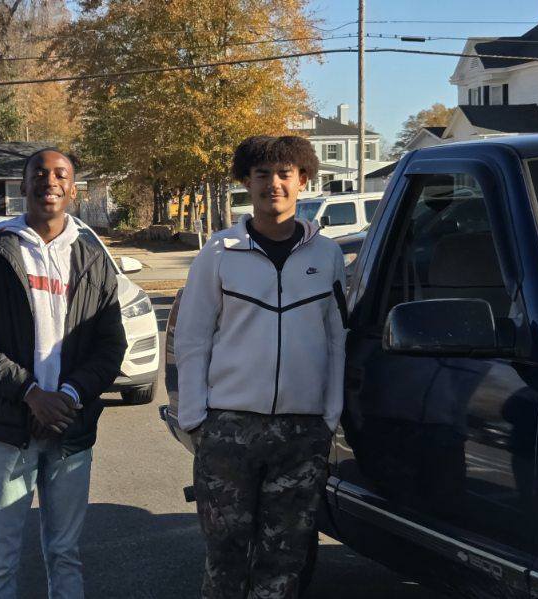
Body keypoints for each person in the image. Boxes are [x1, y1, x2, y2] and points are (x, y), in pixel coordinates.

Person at [174, 135, 348, 598]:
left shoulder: (327, 255)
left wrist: (329, 415)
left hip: (302, 432)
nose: (274, 183)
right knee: (226, 554)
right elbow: (192, 338)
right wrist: (195, 419)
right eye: (262, 174)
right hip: (229, 428)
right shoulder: (219, 252)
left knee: (286, 557)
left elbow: (337, 339)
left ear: (303, 180)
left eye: (285, 173)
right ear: (247, 183)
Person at [0, 148, 127, 599]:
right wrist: (31, 394)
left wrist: (67, 396)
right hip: (9, 430)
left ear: (74, 190)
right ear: (23, 185)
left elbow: (111, 346)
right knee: (1, 558)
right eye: (39, 173)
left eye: (60, 174)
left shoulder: (93, 259)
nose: (50, 181)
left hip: (71, 429)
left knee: (65, 553)